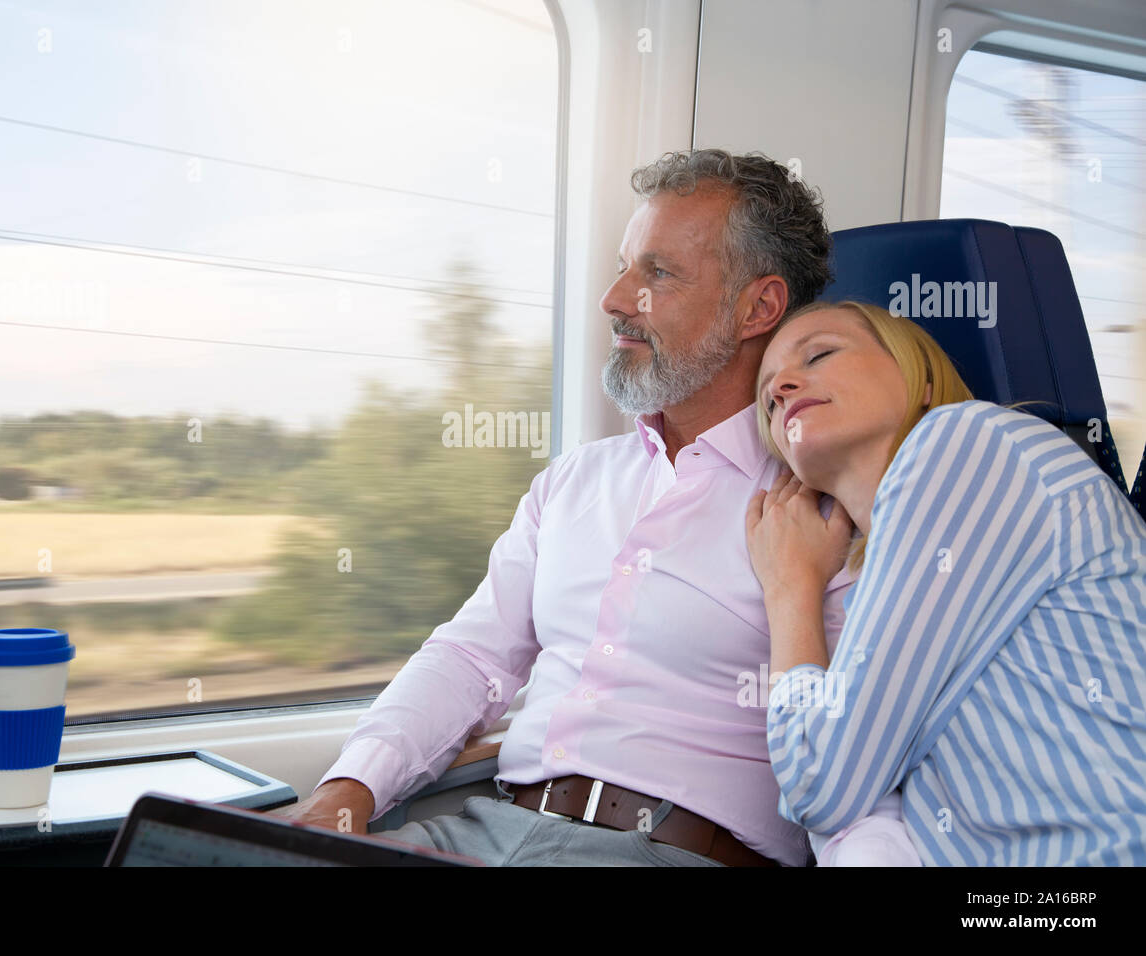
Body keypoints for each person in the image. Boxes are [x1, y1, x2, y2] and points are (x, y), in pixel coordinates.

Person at [271, 148, 853, 867]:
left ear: (756, 308)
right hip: (489, 832)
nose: (615, 298)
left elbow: (844, 760)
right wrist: (350, 788)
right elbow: (470, 657)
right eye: (623, 265)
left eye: (657, 273)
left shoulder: (824, 511)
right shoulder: (576, 481)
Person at [746, 299, 1146, 865]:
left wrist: (789, 590)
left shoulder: (965, 438)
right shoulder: (877, 584)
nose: (782, 387)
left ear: (924, 380)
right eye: (767, 400)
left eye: (820, 354)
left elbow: (822, 782)